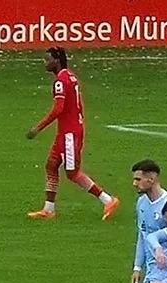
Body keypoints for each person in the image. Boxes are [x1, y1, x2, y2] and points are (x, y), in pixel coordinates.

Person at [26, 47, 120, 221]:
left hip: (69, 133)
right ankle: (48, 209)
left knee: (72, 173)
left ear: (57, 60)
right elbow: (78, 104)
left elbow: (58, 109)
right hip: (69, 130)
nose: (45, 64)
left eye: (48, 60)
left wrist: (38, 128)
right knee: (51, 165)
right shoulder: (71, 76)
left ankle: (108, 200)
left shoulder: (61, 81)